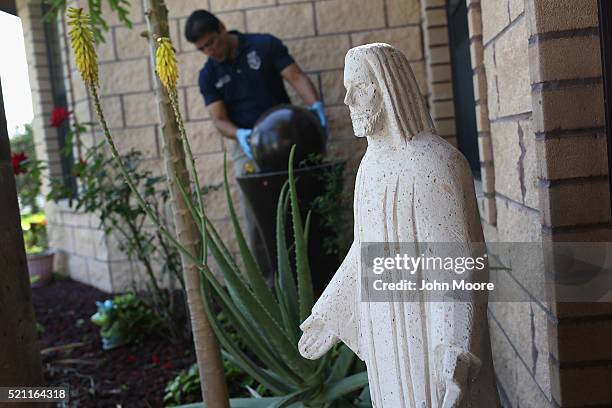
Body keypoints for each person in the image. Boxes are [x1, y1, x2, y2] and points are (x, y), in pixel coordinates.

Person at [297, 43, 500, 408]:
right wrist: (328, 314)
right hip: (384, 334)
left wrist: (455, 350)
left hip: (426, 335)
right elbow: (364, 251)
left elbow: (457, 264)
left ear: (388, 89)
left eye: (359, 87)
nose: (348, 100)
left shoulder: (436, 164)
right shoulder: (368, 170)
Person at [184, 9, 328, 274]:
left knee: (304, 201)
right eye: (202, 48)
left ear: (222, 28)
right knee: (257, 218)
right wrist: (239, 134)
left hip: (286, 136)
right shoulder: (208, 75)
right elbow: (218, 120)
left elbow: (296, 77)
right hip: (247, 146)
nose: (209, 51)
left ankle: (319, 273)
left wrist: (315, 106)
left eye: (211, 42)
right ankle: (271, 283)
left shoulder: (263, 45)